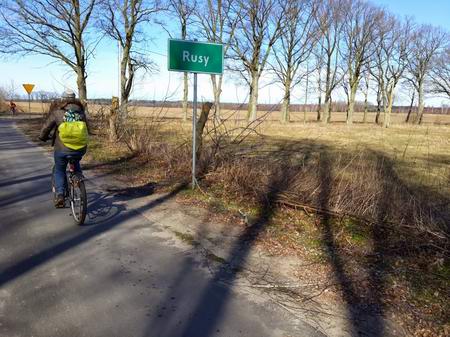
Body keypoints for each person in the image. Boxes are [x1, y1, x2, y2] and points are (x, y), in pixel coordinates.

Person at [39, 90, 89, 208]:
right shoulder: (81, 112)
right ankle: (78, 180)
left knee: (59, 170)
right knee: (75, 162)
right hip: (80, 148)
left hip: (62, 149)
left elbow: (46, 128)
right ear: (74, 99)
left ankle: (60, 195)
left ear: (63, 99)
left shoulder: (58, 112)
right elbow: (87, 128)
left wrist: (42, 137)